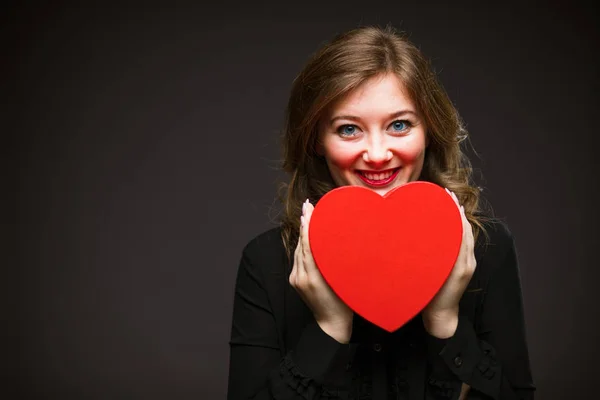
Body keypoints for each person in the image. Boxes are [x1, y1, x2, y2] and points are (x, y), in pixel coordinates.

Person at [227, 25, 535, 399]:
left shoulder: (488, 248)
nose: (376, 154)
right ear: (316, 141)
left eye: (399, 125)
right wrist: (329, 329)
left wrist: (445, 322)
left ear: (430, 131)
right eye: (348, 129)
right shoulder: (266, 261)